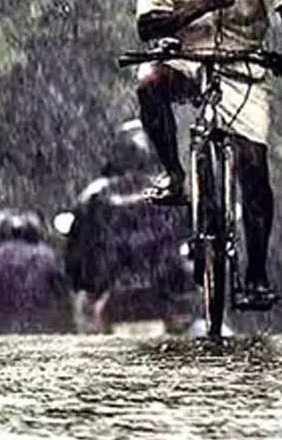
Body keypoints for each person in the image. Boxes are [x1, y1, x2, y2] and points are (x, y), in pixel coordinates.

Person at [134, 0, 282, 310]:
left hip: (242, 62)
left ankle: (256, 274)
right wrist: (204, 4)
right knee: (148, 85)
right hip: (185, 57)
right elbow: (147, 24)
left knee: (252, 165)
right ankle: (175, 175)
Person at [63, 120, 194, 333]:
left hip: (110, 291)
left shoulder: (93, 195)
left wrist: (83, 283)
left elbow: (76, 253)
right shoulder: (173, 191)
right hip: (163, 291)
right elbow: (191, 239)